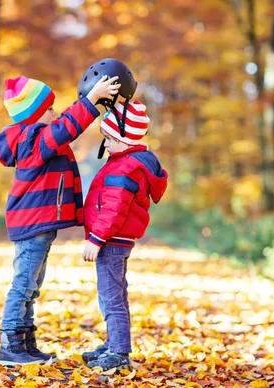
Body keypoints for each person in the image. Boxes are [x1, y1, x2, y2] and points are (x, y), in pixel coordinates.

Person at [0, 74, 120, 366]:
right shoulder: (33, 139)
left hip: (38, 225)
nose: (55, 113)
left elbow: (62, 128)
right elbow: (65, 129)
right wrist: (91, 100)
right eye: (49, 109)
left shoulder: (35, 139)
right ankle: (10, 344)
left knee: (32, 285)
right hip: (32, 224)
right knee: (23, 284)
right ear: (35, 115)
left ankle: (25, 343)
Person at [81, 100, 168, 371]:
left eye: (108, 139)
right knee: (113, 293)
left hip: (111, 240)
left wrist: (96, 239)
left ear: (124, 138)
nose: (105, 145)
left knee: (111, 297)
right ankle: (113, 344)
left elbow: (114, 209)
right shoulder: (124, 162)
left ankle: (118, 353)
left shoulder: (125, 168)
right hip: (116, 240)